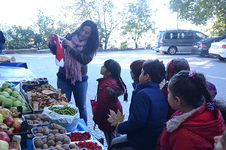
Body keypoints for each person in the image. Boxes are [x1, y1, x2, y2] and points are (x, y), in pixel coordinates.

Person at [156, 70, 226, 150]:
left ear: (178, 100)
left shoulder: (185, 137)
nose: (167, 95)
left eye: (169, 93)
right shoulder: (194, 112)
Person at [48, 20, 100, 124]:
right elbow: (58, 51)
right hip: (63, 76)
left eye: (87, 32)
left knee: (81, 108)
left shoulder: (91, 46)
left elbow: (85, 60)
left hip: (80, 79)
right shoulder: (69, 36)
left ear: (91, 36)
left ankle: (85, 131)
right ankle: (65, 129)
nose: (83, 33)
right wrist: (52, 43)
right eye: (82, 30)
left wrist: (72, 48)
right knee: (63, 105)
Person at [110, 59, 168, 150]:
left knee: (114, 144)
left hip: (142, 142)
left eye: (142, 73)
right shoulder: (160, 92)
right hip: (154, 140)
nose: (139, 75)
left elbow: (137, 122)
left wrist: (120, 127)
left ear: (146, 77)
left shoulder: (143, 94)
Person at [93, 59, 128, 149]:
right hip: (116, 111)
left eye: (104, 66)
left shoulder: (105, 86)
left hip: (108, 116)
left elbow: (101, 106)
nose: (102, 67)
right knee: (115, 135)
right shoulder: (116, 80)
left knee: (111, 141)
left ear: (108, 73)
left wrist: (96, 119)